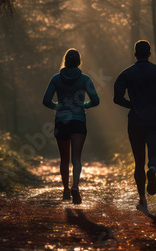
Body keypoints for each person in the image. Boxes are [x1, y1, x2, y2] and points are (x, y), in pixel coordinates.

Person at [113, 40, 156, 210]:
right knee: (155, 156)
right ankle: (152, 169)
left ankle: (142, 199)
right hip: (155, 121)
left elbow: (117, 98)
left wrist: (132, 105)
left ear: (134, 54)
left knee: (138, 161)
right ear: (150, 54)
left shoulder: (126, 74)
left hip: (135, 122)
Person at [43, 48, 100, 204]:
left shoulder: (55, 79)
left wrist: (59, 107)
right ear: (79, 62)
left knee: (64, 159)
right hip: (78, 121)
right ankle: (75, 186)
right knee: (76, 158)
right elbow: (96, 101)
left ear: (65, 61)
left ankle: (66, 190)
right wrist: (84, 105)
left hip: (61, 122)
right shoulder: (85, 79)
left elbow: (46, 101)